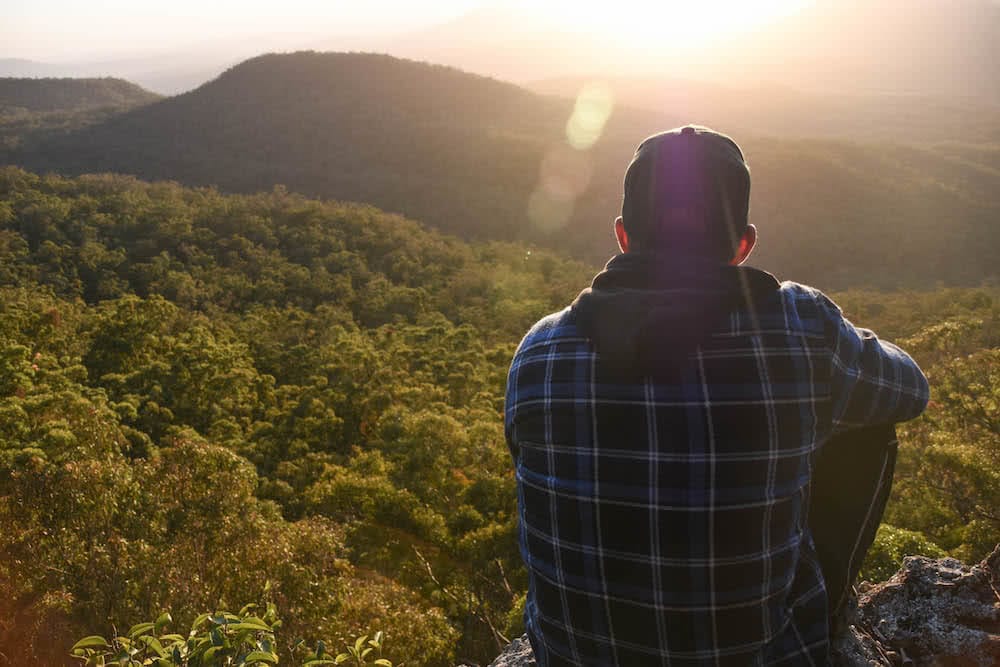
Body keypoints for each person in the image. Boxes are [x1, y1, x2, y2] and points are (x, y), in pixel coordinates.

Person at [504, 125, 929, 666]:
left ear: (623, 235)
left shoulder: (538, 350)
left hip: (572, 657)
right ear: (744, 245)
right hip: (758, 657)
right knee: (867, 424)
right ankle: (826, 614)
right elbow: (910, 390)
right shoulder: (801, 327)